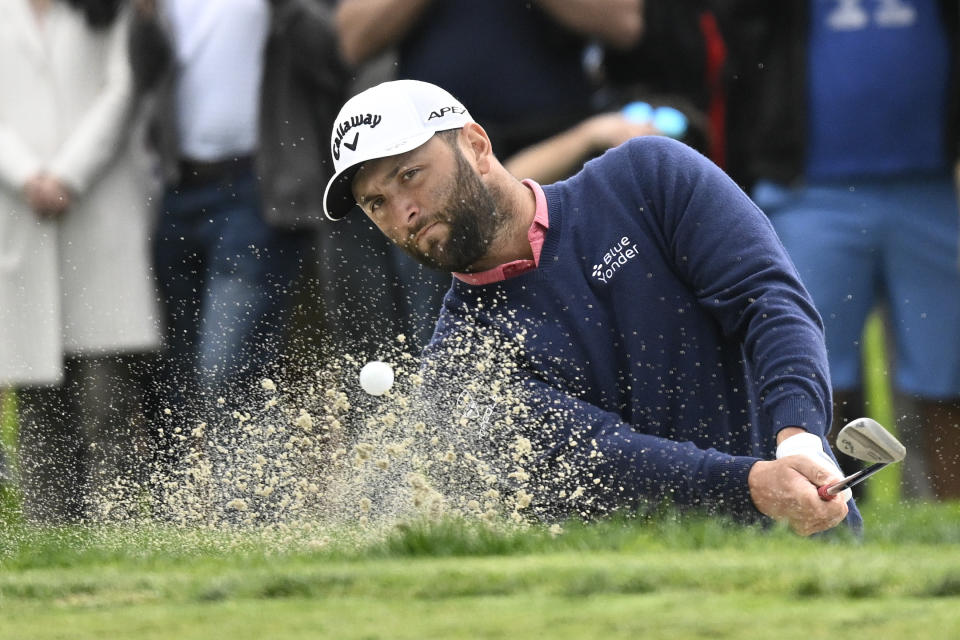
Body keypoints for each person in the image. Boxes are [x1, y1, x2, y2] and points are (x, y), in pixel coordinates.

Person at [321, 79, 862, 537]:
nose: (404, 212)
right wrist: (750, 485)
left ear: (476, 146)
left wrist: (801, 435)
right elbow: (606, 457)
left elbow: (767, 301)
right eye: (377, 203)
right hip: (640, 593)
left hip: (811, 528)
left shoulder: (648, 178)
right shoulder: (463, 359)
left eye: (410, 175)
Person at [721, 0, 960, 500]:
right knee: (810, 377)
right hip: (809, 191)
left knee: (949, 381)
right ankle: (829, 519)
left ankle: (947, 520)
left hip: (939, 188)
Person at [127, 0, 347, 465]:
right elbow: (145, 75)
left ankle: (246, 512)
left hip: (257, 191)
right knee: (177, 376)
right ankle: (182, 518)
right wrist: (145, 21)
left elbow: (333, 62)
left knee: (228, 369)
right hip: (176, 187)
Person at [0, 0, 160, 523]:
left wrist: (66, 175)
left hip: (100, 209)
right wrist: (27, 175)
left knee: (106, 396)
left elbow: (122, 91)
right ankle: (52, 534)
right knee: (38, 403)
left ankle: (120, 530)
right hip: (21, 212)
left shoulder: (106, 9)